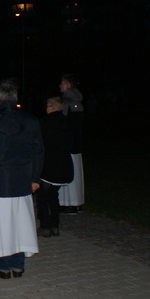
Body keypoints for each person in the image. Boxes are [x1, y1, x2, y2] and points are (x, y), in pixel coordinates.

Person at [0, 78, 43, 280]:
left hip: (1, 181)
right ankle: (18, 265)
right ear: (15, 98)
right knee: (20, 222)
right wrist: (35, 177)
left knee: (2, 223)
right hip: (24, 179)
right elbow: (38, 151)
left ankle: (4, 266)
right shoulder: (31, 120)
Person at [37, 96, 74, 237]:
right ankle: (55, 225)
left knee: (42, 195)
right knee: (53, 195)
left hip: (49, 164)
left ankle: (45, 226)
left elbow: (40, 143)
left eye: (47, 105)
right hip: (64, 163)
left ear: (52, 107)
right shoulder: (67, 122)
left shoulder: (45, 123)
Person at [58, 73, 85, 214]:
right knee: (74, 173)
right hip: (74, 145)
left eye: (61, 83)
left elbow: (70, 126)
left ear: (67, 85)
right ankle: (74, 203)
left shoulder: (70, 104)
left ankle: (71, 204)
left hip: (70, 146)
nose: (59, 86)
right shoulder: (74, 103)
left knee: (70, 173)